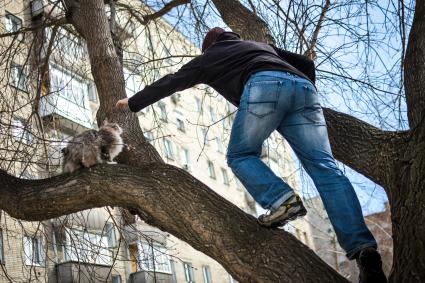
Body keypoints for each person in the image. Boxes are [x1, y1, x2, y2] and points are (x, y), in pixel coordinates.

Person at [116, 27, 387, 283]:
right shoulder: (260, 46)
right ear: (232, 38)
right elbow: (306, 63)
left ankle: (282, 199)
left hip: (264, 85)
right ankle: (364, 250)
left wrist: (134, 102)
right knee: (325, 168)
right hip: (304, 90)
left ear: (208, 48)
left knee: (241, 154)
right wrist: (301, 88)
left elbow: (173, 81)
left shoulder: (209, 58)